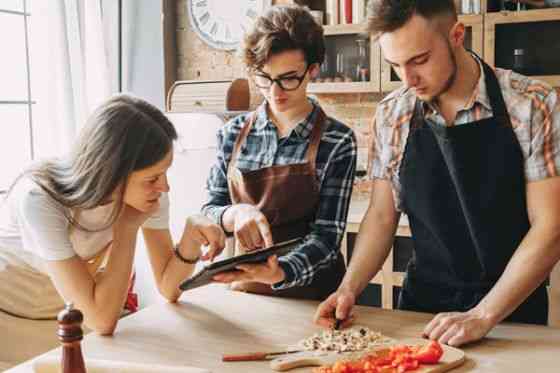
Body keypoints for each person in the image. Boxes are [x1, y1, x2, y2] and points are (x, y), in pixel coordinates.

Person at [315, 0, 560, 346]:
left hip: (510, 312)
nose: (408, 79)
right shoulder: (392, 115)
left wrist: (482, 315)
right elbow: (382, 216)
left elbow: (551, 227)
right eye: (395, 65)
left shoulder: (533, 105)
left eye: (419, 60)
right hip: (421, 313)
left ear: (457, 35)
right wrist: (348, 288)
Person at [0, 94, 225, 336]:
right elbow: (101, 321)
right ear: (111, 173)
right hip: (13, 313)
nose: (165, 187)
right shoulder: (39, 199)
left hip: (71, 310)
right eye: (152, 178)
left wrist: (190, 237)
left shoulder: (147, 192)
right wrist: (126, 228)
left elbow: (169, 288)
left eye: (164, 173)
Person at [202, 5, 357, 300]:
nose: (275, 92)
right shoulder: (231, 134)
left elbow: (326, 237)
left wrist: (280, 271)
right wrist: (235, 213)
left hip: (314, 297)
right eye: (264, 78)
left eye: (288, 78)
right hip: (246, 296)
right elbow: (211, 207)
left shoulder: (337, 141)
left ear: (312, 70)